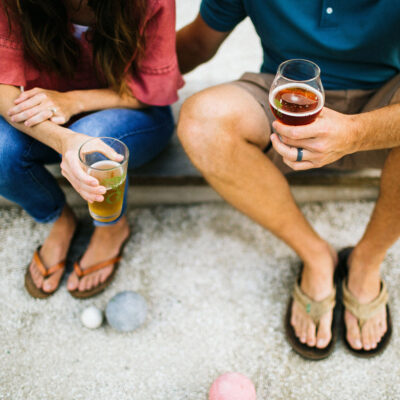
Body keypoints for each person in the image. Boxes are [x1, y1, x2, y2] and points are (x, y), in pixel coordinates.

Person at [176, 1, 399, 359]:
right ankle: (316, 255)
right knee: (202, 122)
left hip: (384, 109)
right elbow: (197, 44)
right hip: (284, 110)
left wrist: (356, 133)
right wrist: (109, 86)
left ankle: (367, 262)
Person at [0, 0, 183, 299]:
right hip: (53, 117)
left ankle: (111, 227)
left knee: (94, 140)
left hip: (134, 110)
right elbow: (2, 88)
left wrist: (73, 102)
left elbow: (153, 91)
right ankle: (59, 220)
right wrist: (63, 140)